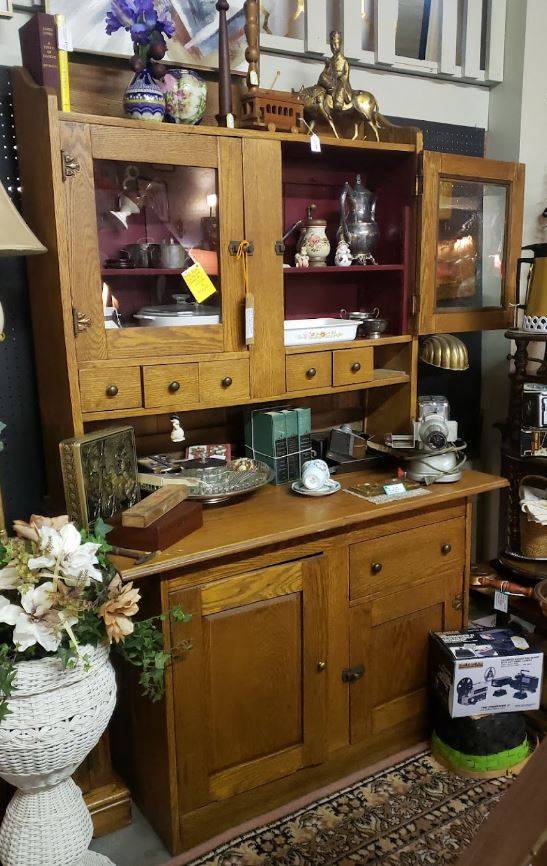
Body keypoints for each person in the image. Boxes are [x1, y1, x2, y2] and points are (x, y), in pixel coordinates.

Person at [318, 30, 352, 112]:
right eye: (331, 45)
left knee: (340, 86)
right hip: (331, 82)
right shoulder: (330, 60)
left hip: (340, 82)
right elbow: (326, 74)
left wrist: (339, 78)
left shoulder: (344, 60)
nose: (333, 47)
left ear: (340, 44)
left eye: (335, 44)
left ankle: (338, 102)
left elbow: (346, 75)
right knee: (322, 76)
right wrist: (327, 67)